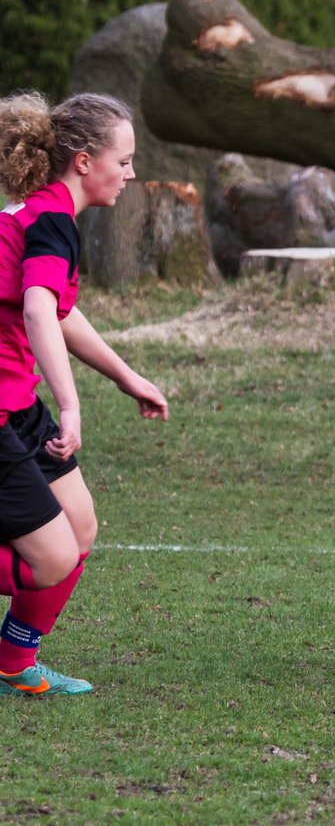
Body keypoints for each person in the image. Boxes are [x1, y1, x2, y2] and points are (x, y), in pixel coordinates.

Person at [0, 92, 169, 695]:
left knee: (80, 527)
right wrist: (72, 405)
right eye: (122, 161)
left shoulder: (45, 215)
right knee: (51, 557)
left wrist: (126, 377)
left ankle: (13, 663)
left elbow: (60, 311)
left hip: (16, 403)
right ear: (82, 162)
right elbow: (39, 309)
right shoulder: (50, 222)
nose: (130, 174)